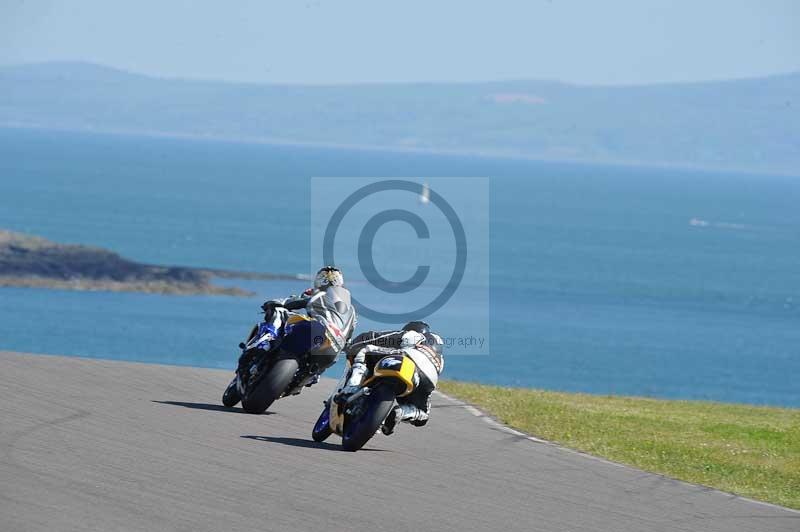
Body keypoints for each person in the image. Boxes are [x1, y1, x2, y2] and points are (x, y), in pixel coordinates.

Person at [252, 266, 357, 387]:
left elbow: (293, 301)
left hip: (317, 330)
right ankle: (312, 376)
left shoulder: (320, 293)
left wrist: (274, 303)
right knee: (316, 366)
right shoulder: (352, 311)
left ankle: (265, 343)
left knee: (281, 313)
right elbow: (348, 339)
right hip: (333, 350)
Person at [338, 321, 444, 434]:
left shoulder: (412, 335)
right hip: (428, 378)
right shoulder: (440, 359)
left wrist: (353, 345)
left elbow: (373, 337)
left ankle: (351, 388)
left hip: (408, 360)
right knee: (422, 414)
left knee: (365, 350)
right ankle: (402, 412)